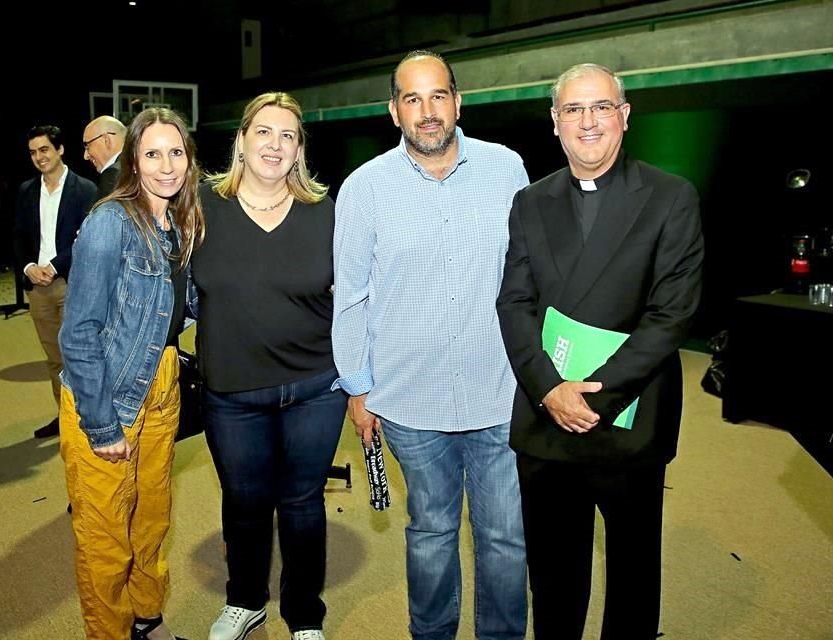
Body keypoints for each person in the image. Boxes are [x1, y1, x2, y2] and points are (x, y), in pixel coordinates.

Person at [496, 63, 704, 640]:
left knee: (634, 576)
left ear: (625, 116)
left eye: (601, 108)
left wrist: (595, 397)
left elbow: (671, 315)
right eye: (573, 110)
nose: (588, 122)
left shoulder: (670, 197)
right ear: (555, 123)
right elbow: (514, 304)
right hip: (547, 419)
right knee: (554, 576)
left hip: (629, 417)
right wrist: (549, 390)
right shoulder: (530, 202)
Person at [332, 51, 529, 640]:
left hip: (498, 394)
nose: (427, 111)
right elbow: (351, 297)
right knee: (432, 531)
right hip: (409, 401)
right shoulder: (364, 188)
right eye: (412, 99)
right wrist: (358, 387)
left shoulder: (507, 169)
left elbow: (530, 277)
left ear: (458, 101)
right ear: (394, 111)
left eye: (438, 96)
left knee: (504, 537)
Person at [192, 92, 344, 640]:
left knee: (303, 505)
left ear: (299, 149)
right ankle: (246, 600)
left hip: (315, 388)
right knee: (245, 502)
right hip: (232, 395)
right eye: (263, 132)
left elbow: (354, 297)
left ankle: (305, 615)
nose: (274, 145)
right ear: (241, 141)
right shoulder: (200, 206)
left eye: (287, 136)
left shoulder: (326, 212)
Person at [58, 107, 201, 640]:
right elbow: (78, 333)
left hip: (161, 384)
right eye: (152, 154)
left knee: (151, 519)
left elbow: (175, 308)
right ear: (133, 161)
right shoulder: (109, 222)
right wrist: (100, 423)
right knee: (106, 535)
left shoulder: (179, 221)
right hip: (107, 392)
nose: (166, 165)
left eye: (176, 152)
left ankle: (148, 618)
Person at [14, 125, 97, 439]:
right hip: (37, 286)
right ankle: (64, 416)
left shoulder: (85, 189)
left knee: (79, 355)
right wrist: (28, 266)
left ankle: (87, 420)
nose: (39, 157)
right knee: (53, 359)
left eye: (44, 149)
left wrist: (55, 265)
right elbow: (19, 236)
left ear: (60, 149)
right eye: (33, 152)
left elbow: (87, 240)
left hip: (71, 282)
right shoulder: (25, 191)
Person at [83, 115, 127, 200]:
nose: (86, 156)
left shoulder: (113, 174)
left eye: (87, 146)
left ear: (106, 140)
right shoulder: (136, 163)